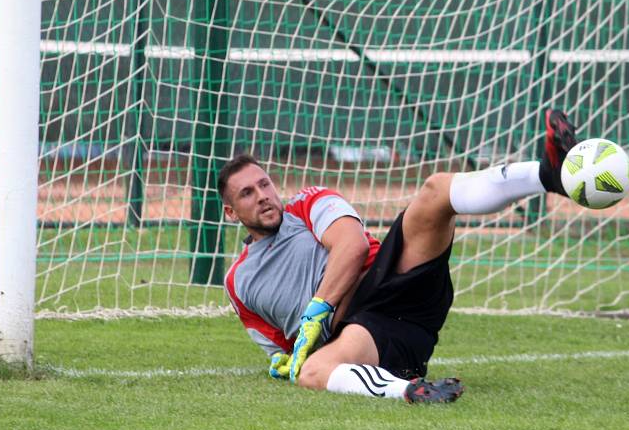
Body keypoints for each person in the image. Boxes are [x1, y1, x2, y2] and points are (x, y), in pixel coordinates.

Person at [219, 109, 578, 403]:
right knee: (313, 372)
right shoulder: (238, 282)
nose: (263, 195)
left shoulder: (308, 203)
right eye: (247, 193)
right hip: (366, 333)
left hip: (390, 277)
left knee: (436, 190)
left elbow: (352, 245)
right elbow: (284, 350)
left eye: (265, 184)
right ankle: (412, 391)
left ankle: (549, 174)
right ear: (231, 213)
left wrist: (318, 308)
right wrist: (283, 360)